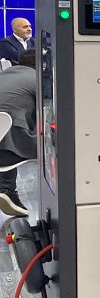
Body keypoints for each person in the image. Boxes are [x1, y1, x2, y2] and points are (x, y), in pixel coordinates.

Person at [0, 49, 36, 216]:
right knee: (54, 145)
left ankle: (7, 190)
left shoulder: (5, 74)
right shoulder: (37, 79)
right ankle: (6, 190)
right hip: (9, 144)